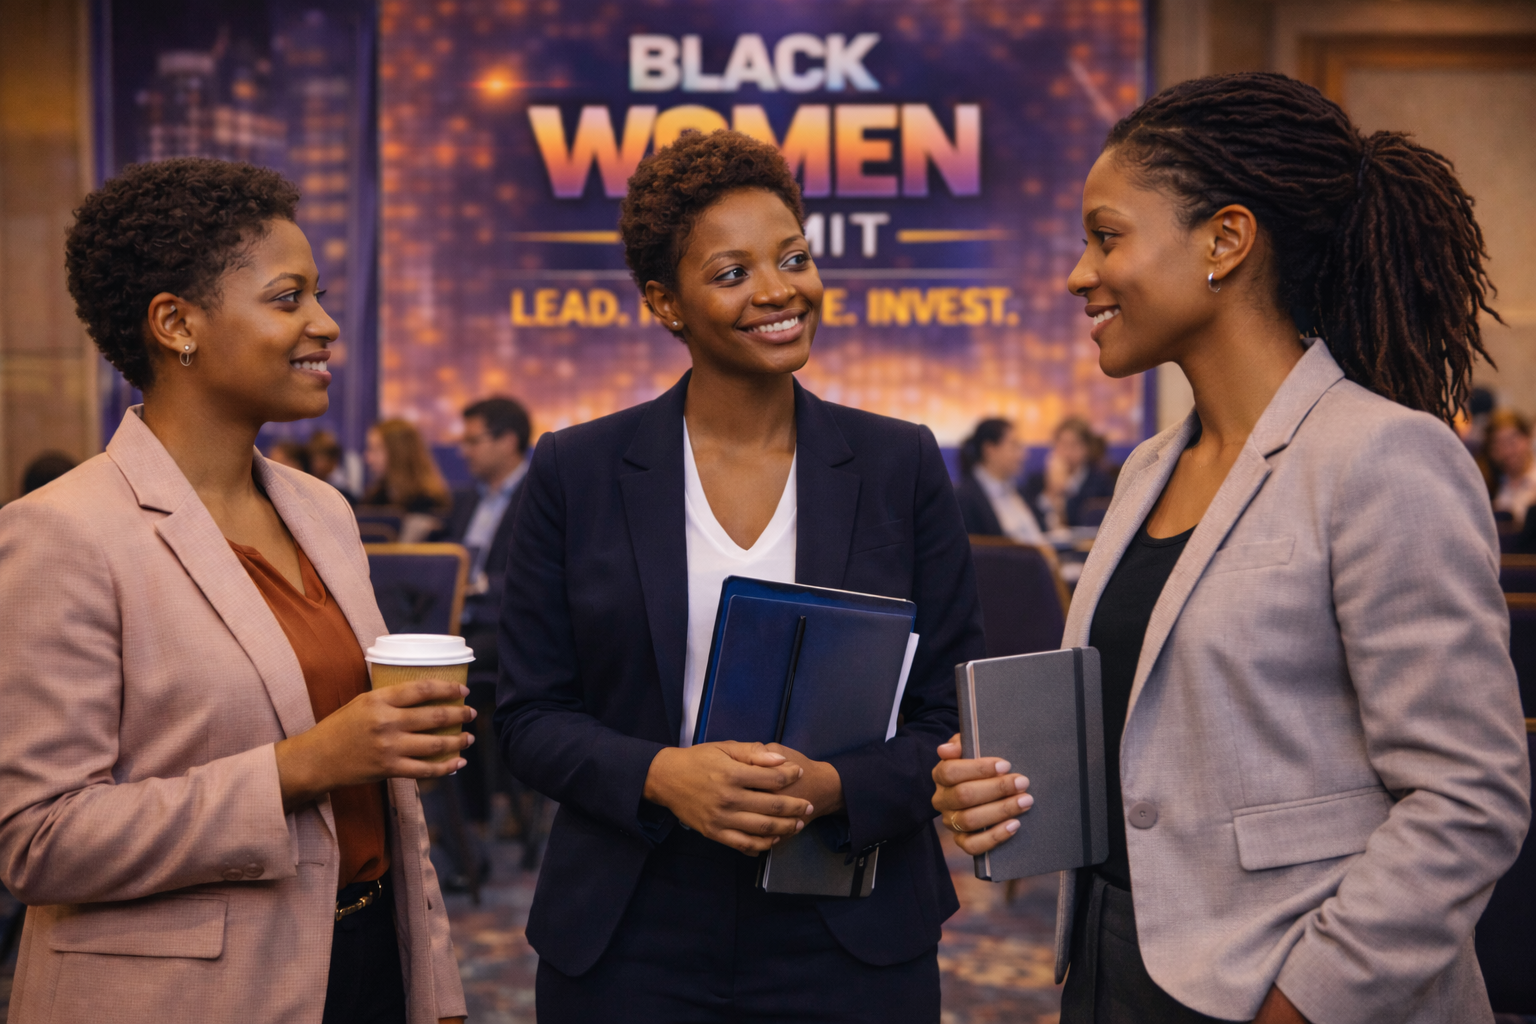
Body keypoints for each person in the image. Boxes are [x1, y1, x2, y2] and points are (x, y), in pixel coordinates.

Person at [932, 72, 1529, 1024]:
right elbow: (1162, 743)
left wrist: (1300, 1002)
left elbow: (1469, 799)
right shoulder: (1146, 470)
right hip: (1110, 959)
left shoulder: (1382, 455)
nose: (1080, 273)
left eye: (1107, 235)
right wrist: (999, 787)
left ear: (1226, 240)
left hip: (1286, 985)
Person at [496, 129, 983, 1021]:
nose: (777, 291)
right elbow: (528, 715)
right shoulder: (577, 470)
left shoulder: (899, 465)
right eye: (731, 274)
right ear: (663, 302)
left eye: (793, 257)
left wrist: (829, 787)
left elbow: (950, 715)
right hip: (632, 925)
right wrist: (663, 774)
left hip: (850, 917)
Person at [0, 157, 469, 1024]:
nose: (326, 326)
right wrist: (304, 766)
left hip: (366, 963)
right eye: (289, 299)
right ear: (176, 323)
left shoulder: (321, 512)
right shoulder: (61, 533)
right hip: (185, 996)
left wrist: (431, 982)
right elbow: (38, 841)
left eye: (320, 297)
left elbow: (379, 797)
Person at [434, 396, 538, 857]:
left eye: (473, 440)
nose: (464, 451)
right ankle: (438, 818)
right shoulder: (463, 502)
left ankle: (467, 823)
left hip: (510, 632)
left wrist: (476, 585)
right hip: (457, 627)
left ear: (508, 441)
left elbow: (539, 580)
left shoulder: (540, 493)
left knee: (453, 684)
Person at [955, 417, 1045, 543]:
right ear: (990, 450)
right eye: (1014, 446)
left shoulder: (1017, 490)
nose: (1023, 454)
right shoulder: (965, 499)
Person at [363, 418, 450, 541]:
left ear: (399, 452)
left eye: (376, 450)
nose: (368, 459)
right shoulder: (374, 497)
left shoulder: (428, 502)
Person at [1023, 416, 1116, 529]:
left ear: (1086, 448)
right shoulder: (1036, 480)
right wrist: (1051, 491)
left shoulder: (1100, 481)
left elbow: (1084, 520)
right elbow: (1032, 522)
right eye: (1062, 444)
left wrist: (1065, 490)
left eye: (1074, 445)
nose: (1067, 452)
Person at [1488, 410, 1536, 529]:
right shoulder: (1491, 485)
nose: (1508, 451)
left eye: (1512, 442)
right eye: (1500, 444)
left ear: (1527, 439)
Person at [307, 428, 356, 500]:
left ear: (333, 460)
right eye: (314, 457)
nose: (316, 464)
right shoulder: (306, 487)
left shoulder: (343, 493)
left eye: (322, 457)